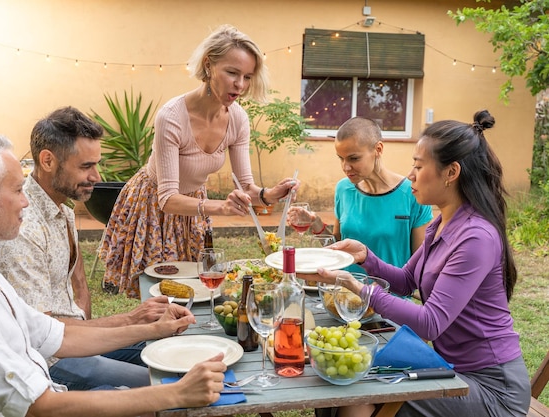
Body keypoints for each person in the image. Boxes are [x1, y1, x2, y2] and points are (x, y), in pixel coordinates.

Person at [0, 132, 226, 416]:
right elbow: (39, 406)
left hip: (51, 390)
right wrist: (175, 394)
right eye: (17, 190)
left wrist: (149, 329)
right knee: (162, 398)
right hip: (47, 402)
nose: (25, 200)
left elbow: (58, 336)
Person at [317, 110, 531, 417]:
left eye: (418, 166)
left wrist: (361, 289)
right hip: (453, 371)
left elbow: (431, 322)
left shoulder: (476, 237)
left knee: (358, 391)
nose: (411, 175)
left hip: (493, 389)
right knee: (342, 383)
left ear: (451, 172)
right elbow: (406, 280)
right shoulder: (442, 224)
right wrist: (367, 257)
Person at [99, 24, 299, 298]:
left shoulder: (238, 119)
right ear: (208, 66)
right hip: (153, 206)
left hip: (195, 209)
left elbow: (247, 187)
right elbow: (167, 199)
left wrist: (268, 195)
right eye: (232, 73)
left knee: (194, 290)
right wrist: (221, 208)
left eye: (247, 76)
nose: (240, 85)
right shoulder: (171, 117)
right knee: (157, 296)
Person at [0, 106, 171, 391]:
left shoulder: (62, 210)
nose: (97, 176)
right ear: (48, 160)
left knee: (170, 349)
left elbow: (76, 276)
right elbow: (42, 334)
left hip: (77, 340)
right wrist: (130, 319)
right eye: (86, 166)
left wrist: (87, 307)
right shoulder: (23, 229)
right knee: (162, 385)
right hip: (50, 361)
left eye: (96, 164)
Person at [288, 116, 432, 273]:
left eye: (354, 158)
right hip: (344, 294)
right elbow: (337, 248)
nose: (345, 167)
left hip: (390, 294)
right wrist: (315, 222)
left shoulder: (412, 194)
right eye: (341, 159)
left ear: (378, 149)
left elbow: (420, 265)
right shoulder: (343, 189)